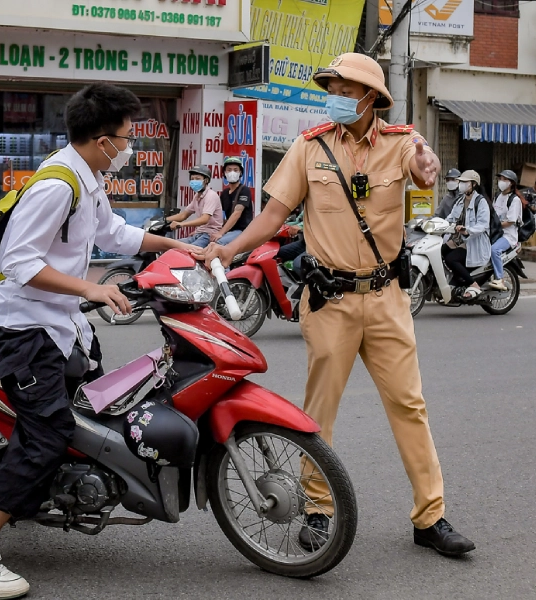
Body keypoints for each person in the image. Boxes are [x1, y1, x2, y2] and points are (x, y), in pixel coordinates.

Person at [199, 52, 475, 557]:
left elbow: (426, 174)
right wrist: (227, 247)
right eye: (333, 88)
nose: (337, 97)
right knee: (318, 413)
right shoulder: (310, 149)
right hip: (329, 300)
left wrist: (427, 166)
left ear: (371, 97)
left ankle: (430, 517)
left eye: (346, 90)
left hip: (388, 298)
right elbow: (272, 215)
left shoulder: (401, 144)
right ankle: (320, 511)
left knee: (410, 407)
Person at [0, 83, 197, 600]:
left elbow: (114, 235)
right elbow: (19, 262)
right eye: (124, 139)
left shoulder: (88, 177)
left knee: (90, 411)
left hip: (58, 323)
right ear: (101, 140)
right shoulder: (58, 185)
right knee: (48, 435)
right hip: (22, 326)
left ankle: (33, 499)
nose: (128, 149)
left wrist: (173, 245)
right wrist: (91, 288)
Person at [442, 170, 491, 299]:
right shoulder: (460, 201)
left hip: (473, 242)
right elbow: (450, 218)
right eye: (461, 181)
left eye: (465, 182)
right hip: (458, 240)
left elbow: (483, 225)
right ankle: (454, 280)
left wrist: (467, 230)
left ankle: (473, 284)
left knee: (451, 259)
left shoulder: (480, 202)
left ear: (473, 184)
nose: (461, 184)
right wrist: (435, 225)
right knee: (440, 251)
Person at [166, 165, 224, 248]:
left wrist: (181, 225)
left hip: (208, 236)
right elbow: (183, 215)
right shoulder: (197, 196)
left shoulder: (211, 196)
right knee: (171, 246)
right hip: (198, 234)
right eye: (192, 179)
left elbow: (204, 219)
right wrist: (164, 220)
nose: (194, 181)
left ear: (206, 180)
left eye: (197, 179)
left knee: (187, 252)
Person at [489, 170, 522, 290]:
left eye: (504, 179)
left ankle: (500, 279)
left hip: (508, 236)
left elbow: (511, 221)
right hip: (495, 233)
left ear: (511, 183)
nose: (501, 182)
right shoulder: (497, 196)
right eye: (500, 179)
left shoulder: (514, 200)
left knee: (494, 250)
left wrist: (496, 226)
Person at [211, 156, 253, 246]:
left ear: (240, 173)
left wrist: (220, 233)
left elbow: (236, 213)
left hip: (241, 231)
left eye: (235, 170)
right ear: (225, 173)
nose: (232, 172)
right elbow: (220, 216)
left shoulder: (244, 190)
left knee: (218, 243)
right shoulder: (225, 193)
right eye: (229, 170)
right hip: (229, 231)